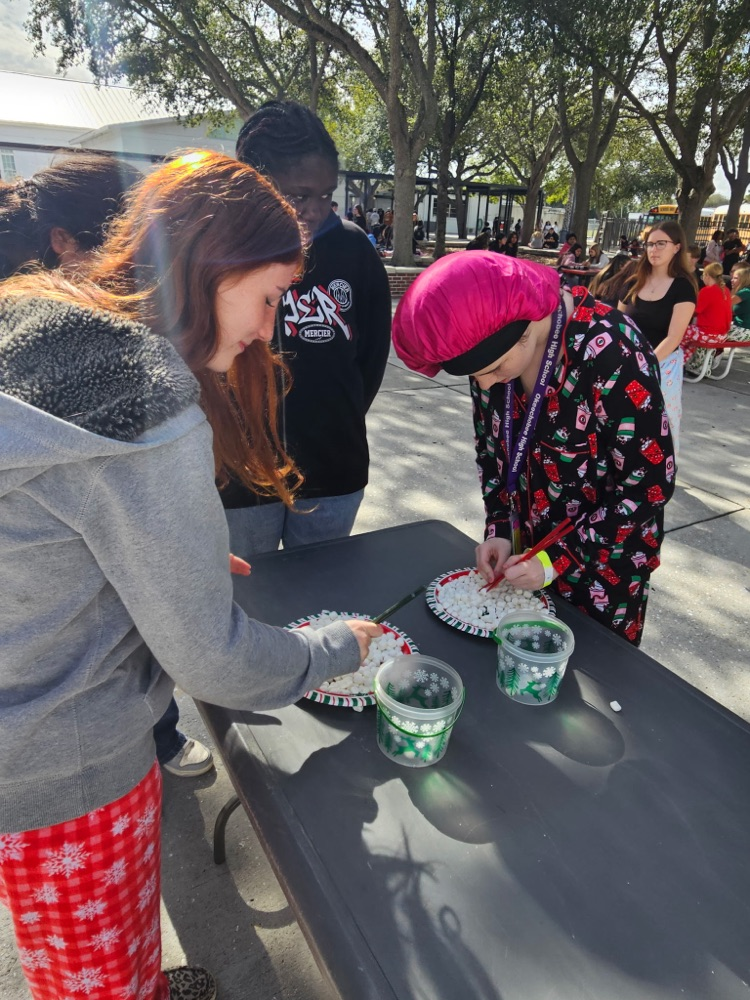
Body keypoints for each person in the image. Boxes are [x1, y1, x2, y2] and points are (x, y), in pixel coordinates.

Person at [0, 149, 382, 1000]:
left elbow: (58, 524)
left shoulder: (44, 321)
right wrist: (330, 649)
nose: (270, 329)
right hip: (59, 772)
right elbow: (210, 659)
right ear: (218, 262)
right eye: (271, 298)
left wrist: (165, 555)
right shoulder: (148, 395)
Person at [0, 152, 212, 778]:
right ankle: (161, 736)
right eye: (129, 248)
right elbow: (207, 651)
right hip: (62, 755)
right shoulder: (87, 354)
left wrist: (150, 534)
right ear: (64, 243)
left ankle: (161, 735)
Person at [392, 251, 674, 645]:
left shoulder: (612, 351)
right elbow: (492, 453)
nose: (487, 385)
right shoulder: (492, 352)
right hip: (523, 559)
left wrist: (557, 559)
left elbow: (650, 487)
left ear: (524, 329)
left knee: (594, 685)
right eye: (476, 376)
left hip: (603, 568)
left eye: (492, 370)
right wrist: (500, 526)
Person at [230, 100, 391, 557]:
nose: (316, 209)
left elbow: (372, 356)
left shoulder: (353, 250)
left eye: (326, 195)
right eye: (299, 195)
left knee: (320, 603)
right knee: (253, 602)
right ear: (256, 182)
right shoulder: (221, 252)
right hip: (239, 474)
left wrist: (336, 419)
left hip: (332, 469)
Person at [619, 220, 697, 456]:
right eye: (650, 244)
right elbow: (618, 326)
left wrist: (645, 366)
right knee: (623, 426)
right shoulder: (633, 282)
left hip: (661, 368)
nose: (654, 249)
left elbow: (673, 337)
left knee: (656, 430)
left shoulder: (683, 287)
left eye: (661, 243)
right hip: (626, 366)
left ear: (677, 247)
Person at [682, 262, 733, 373]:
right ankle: (682, 363)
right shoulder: (726, 291)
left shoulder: (707, 291)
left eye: (703, 276)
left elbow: (694, 311)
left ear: (707, 276)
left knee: (678, 332)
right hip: (722, 335)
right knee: (689, 338)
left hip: (708, 333)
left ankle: (674, 362)